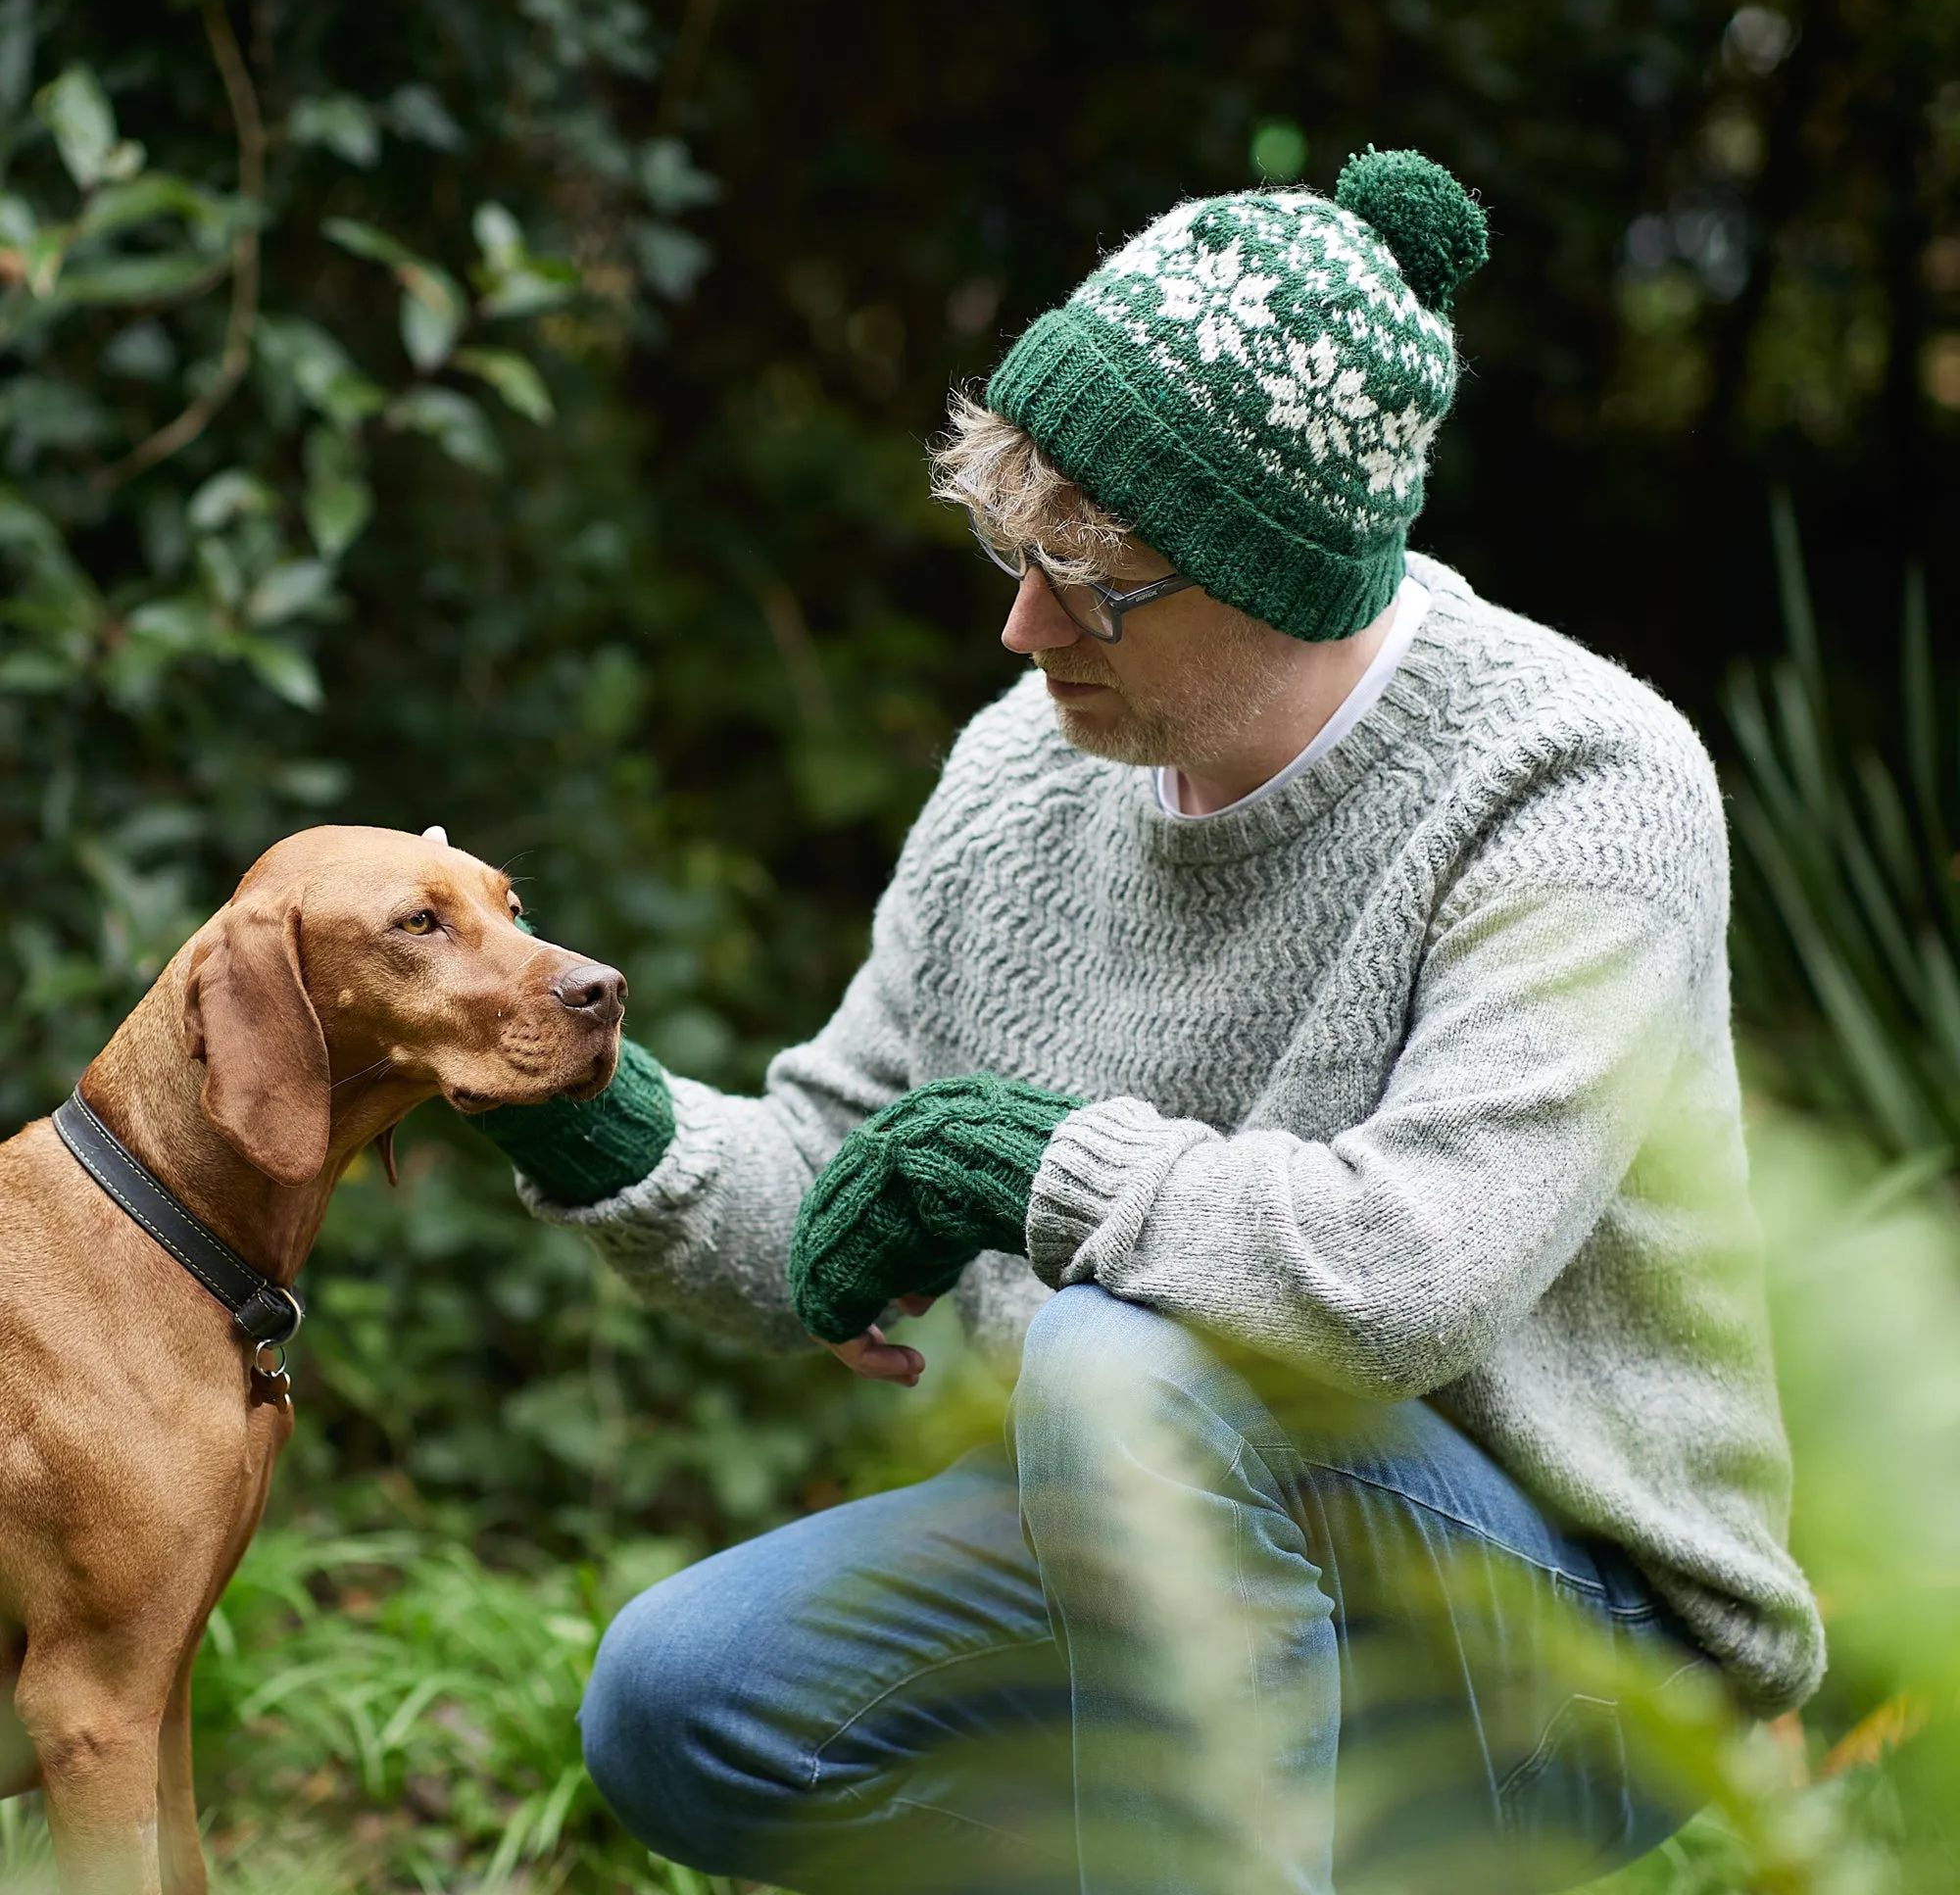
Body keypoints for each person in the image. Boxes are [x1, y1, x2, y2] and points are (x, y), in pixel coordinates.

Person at [476, 149, 1824, 1895]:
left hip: (1568, 1644)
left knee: (1127, 1352)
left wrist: (1032, 1167)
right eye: (1011, 552)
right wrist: (565, 1091)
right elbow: (836, 1169)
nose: (1023, 622)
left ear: (1288, 579)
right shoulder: (1017, 773)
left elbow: (1403, 1273)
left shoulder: (1579, 787)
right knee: (688, 1700)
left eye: (1091, 583)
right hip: (1163, 1563)